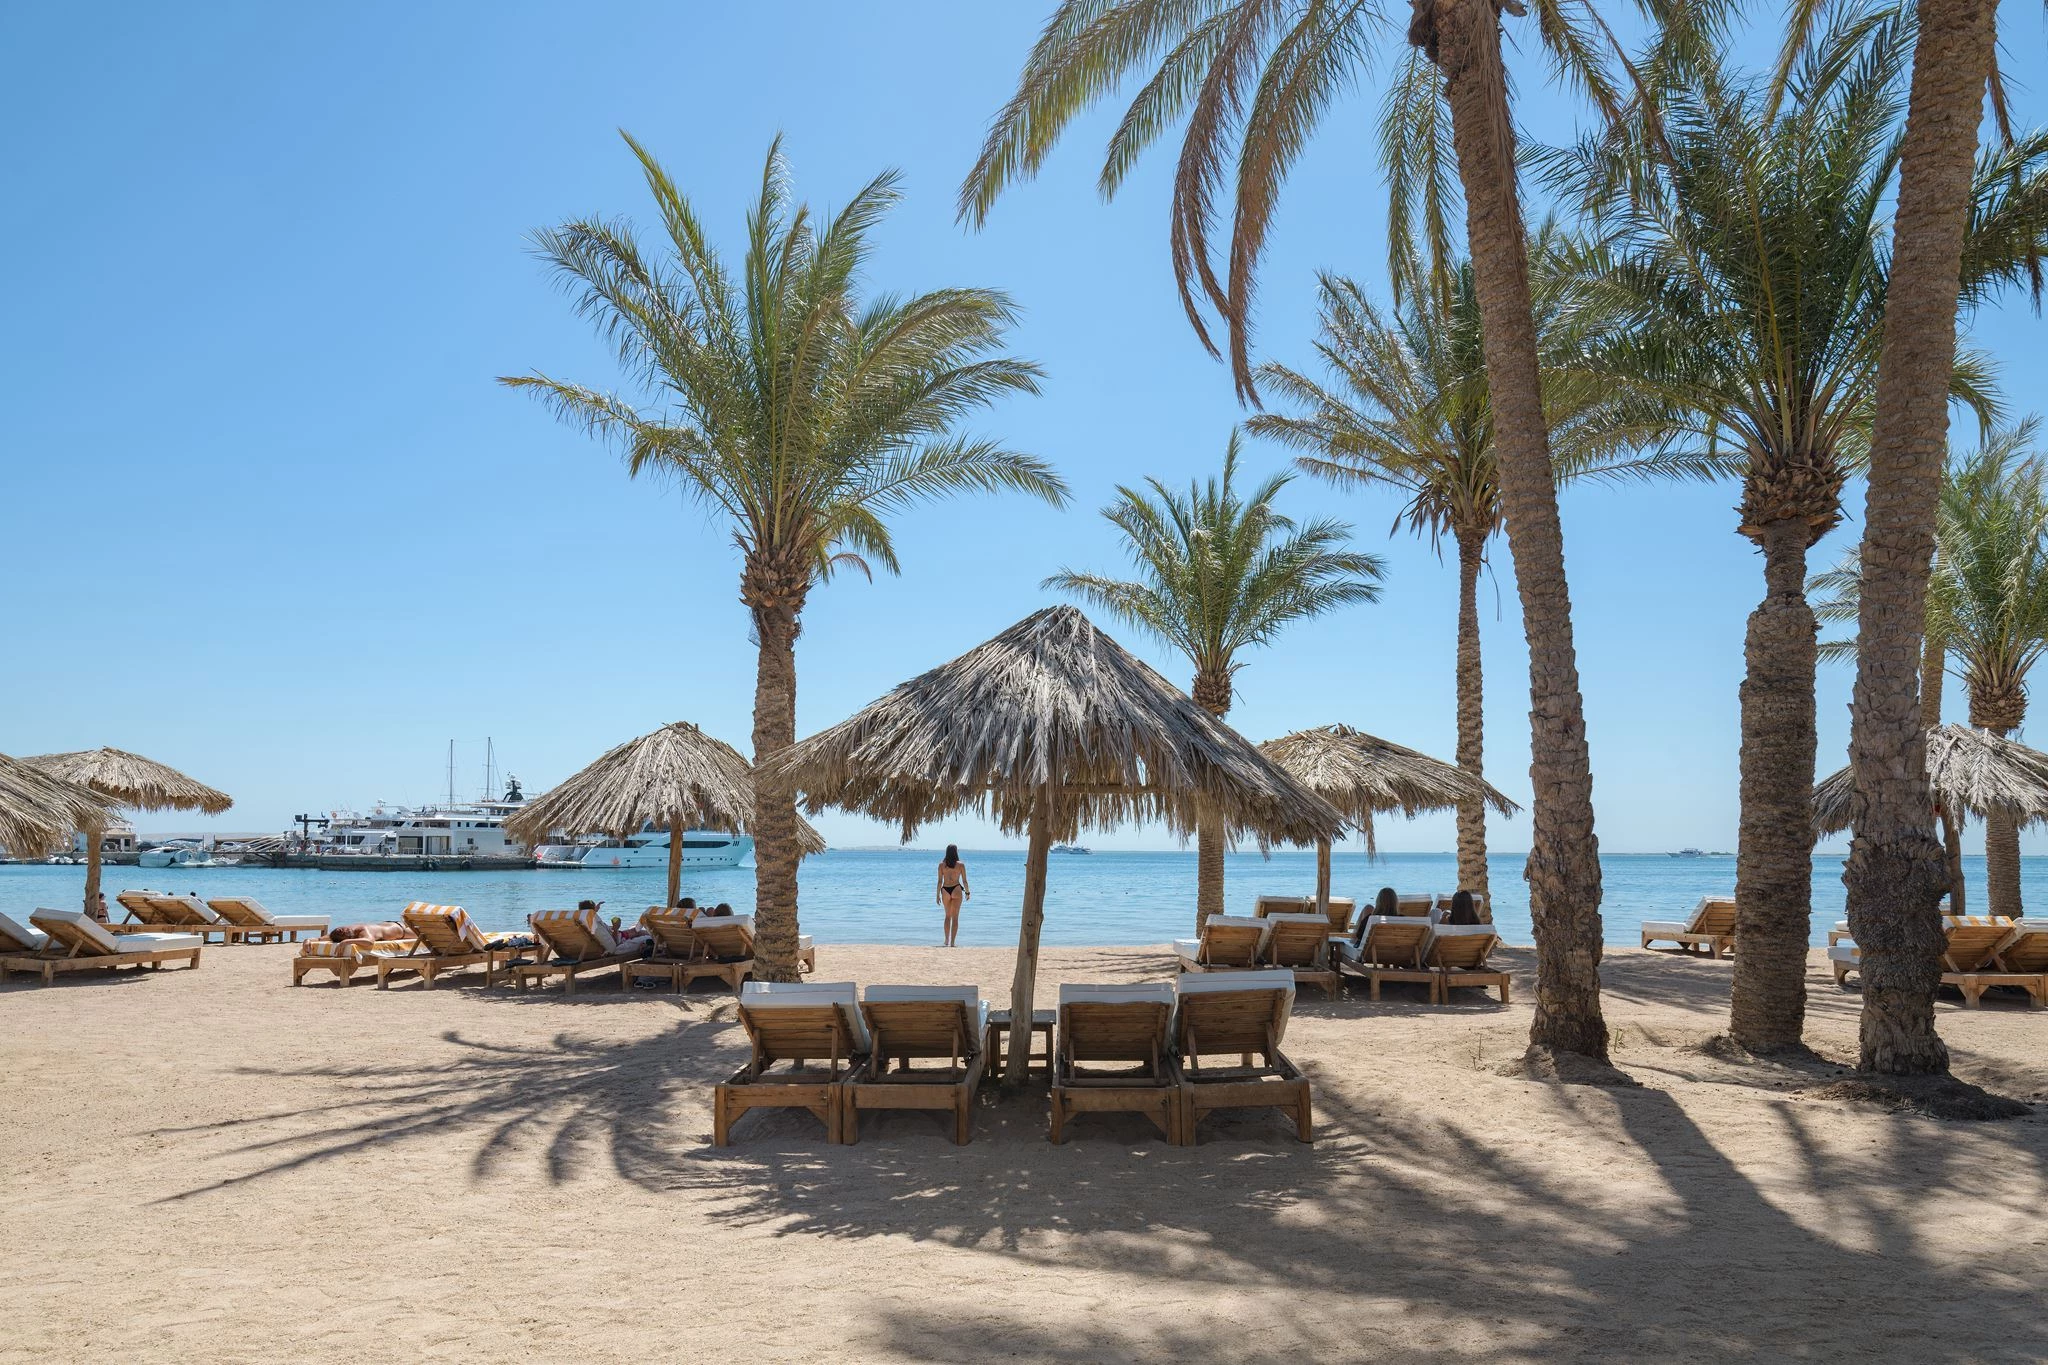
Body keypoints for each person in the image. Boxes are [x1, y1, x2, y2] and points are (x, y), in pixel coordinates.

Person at [936, 844, 969, 947]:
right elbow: (964, 881)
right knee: (955, 917)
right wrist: (967, 892)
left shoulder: (941, 865)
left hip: (945, 890)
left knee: (947, 916)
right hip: (956, 889)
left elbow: (939, 881)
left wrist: (937, 895)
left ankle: (946, 940)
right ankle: (953, 942)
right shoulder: (961, 865)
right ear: (956, 852)